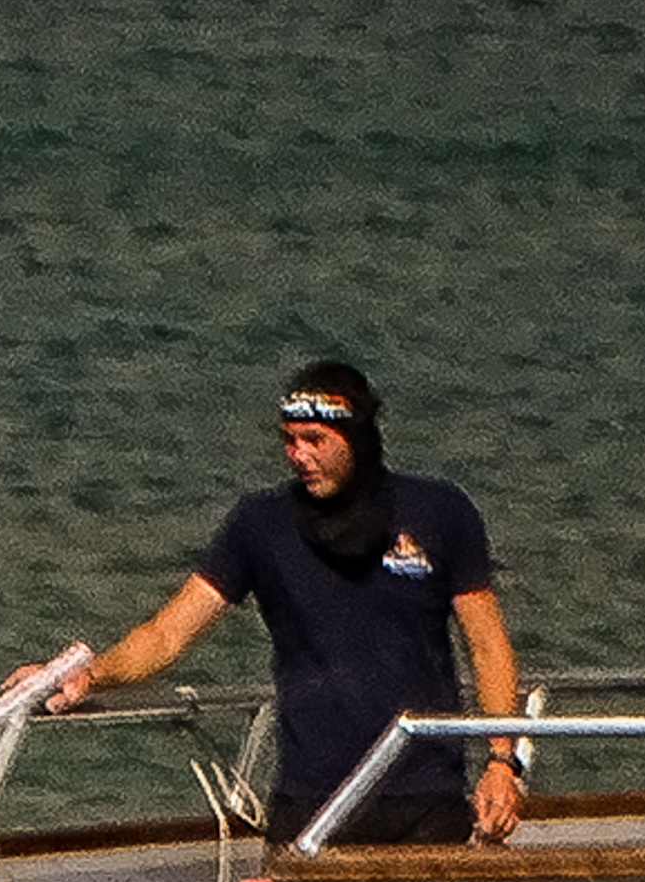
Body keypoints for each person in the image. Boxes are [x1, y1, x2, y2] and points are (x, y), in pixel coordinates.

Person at [51, 359, 527, 845]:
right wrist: (91, 676)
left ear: (356, 438)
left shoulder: (441, 513)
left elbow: (488, 647)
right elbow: (168, 634)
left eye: (315, 441)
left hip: (423, 797)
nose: (299, 456)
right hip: (308, 799)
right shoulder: (260, 525)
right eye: (289, 440)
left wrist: (501, 760)